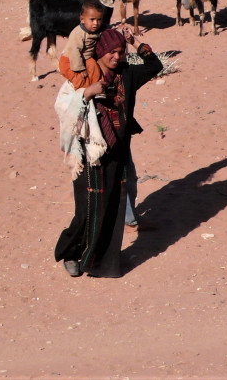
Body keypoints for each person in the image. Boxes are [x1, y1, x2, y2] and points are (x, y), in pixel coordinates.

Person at [54, 28, 163, 278]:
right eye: (111, 52)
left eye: (120, 52)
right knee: (86, 209)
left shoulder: (127, 74)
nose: (116, 56)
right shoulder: (83, 76)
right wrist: (87, 93)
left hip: (117, 153)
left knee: (112, 209)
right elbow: (64, 106)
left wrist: (135, 42)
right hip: (90, 154)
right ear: (100, 51)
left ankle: (99, 262)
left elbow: (154, 65)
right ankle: (70, 253)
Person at [58, 0, 118, 90]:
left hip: (86, 59)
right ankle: (81, 91)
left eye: (99, 20)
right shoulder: (78, 33)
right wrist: (80, 68)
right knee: (80, 78)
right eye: (92, 19)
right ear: (82, 19)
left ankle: (98, 88)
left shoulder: (96, 28)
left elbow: (106, 28)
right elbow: (74, 51)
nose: (96, 23)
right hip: (70, 60)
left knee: (96, 71)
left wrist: (114, 29)